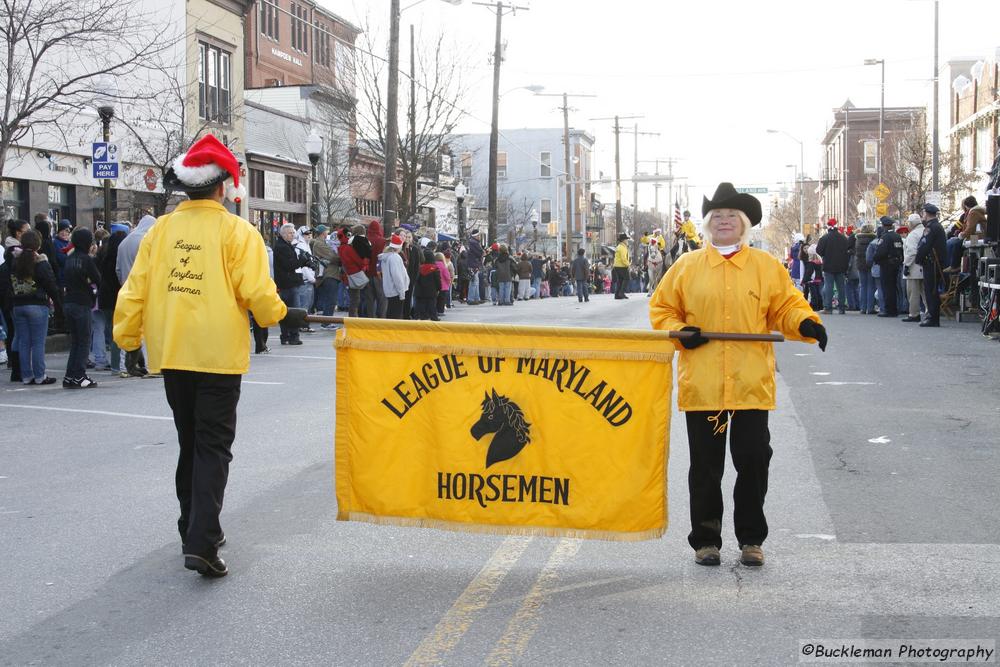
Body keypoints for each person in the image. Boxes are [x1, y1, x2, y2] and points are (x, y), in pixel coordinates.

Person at [113, 134, 293, 578]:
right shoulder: (237, 231)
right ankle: (204, 539)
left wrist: (128, 336)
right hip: (217, 355)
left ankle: (191, 526)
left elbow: (133, 289)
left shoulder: (162, 231)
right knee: (213, 446)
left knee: (189, 441)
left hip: (173, 351)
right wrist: (278, 313)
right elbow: (258, 295)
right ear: (222, 187)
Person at [650, 183, 826, 568]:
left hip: (749, 384)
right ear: (709, 225)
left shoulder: (765, 267)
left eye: (731, 217)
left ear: (744, 224)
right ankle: (706, 541)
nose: (724, 221)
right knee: (706, 467)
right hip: (705, 385)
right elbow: (662, 309)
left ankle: (751, 539)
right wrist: (680, 332)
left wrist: (806, 324)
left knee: (753, 461)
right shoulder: (686, 267)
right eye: (717, 217)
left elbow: (786, 307)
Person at [5, 230, 61, 385]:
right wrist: (57, 303)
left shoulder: (14, 261)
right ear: (38, 244)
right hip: (37, 304)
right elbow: (50, 284)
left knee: (24, 341)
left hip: (18, 305)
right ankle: (39, 375)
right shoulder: (40, 261)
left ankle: (26, 376)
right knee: (37, 342)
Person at [116, 214, 156, 377]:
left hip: (126, 288)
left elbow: (117, 269)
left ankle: (123, 366)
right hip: (145, 290)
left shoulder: (124, 242)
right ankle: (147, 364)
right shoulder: (147, 241)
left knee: (127, 328)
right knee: (145, 329)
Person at [62, 227, 101, 388]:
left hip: (69, 301)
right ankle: (79, 375)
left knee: (76, 341)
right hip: (82, 302)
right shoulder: (86, 259)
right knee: (84, 340)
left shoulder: (69, 259)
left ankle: (70, 376)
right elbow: (98, 279)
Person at [96, 229, 127, 372]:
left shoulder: (104, 257)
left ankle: (114, 363)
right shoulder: (118, 259)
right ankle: (118, 364)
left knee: (111, 331)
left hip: (104, 299)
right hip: (116, 298)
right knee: (119, 333)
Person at [273, 223, 308, 344]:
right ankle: (293, 336)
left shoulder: (286, 245)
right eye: (290, 233)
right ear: (283, 234)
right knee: (294, 311)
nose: (292, 235)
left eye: (293, 232)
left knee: (286, 311)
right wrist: (302, 261)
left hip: (287, 282)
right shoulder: (282, 247)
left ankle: (286, 335)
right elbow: (289, 265)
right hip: (288, 284)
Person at [915, 203, 947, 328]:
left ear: (927, 213)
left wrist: (918, 258)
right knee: (931, 290)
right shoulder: (936, 226)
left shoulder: (931, 227)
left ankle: (932, 317)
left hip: (932, 263)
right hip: (934, 262)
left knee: (931, 290)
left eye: (923, 213)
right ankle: (932, 316)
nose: (922, 215)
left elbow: (924, 245)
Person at [816, 218, 849, 315]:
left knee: (829, 286)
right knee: (841, 287)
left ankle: (828, 308)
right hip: (841, 266)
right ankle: (842, 308)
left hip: (828, 265)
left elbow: (819, 250)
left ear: (828, 227)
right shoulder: (843, 238)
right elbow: (847, 251)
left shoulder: (824, 238)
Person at [872, 216, 903, 317]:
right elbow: (900, 250)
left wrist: (875, 259)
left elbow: (881, 252)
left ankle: (888, 310)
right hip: (896, 264)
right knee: (894, 287)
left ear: (884, 226)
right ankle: (894, 309)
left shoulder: (885, 237)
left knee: (887, 288)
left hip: (886, 265)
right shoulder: (897, 236)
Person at [310, 225, 340, 327]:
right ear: (323, 233)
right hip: (329, 274)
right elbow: (333, 256)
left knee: (330, 299)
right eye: (327, 231)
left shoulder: (324, 242)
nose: (328, 233)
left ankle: (327, 321)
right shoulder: (319, 244)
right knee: (331, 299)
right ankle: (326, 322)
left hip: (330, 273)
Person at [900, 213, 925, 323]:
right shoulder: (925, 231)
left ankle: (914, 313)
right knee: (925, 292)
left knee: (912, 292)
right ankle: (929, 312)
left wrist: (906, 265)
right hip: (924, 267)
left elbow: (911, 252)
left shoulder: (913, 235)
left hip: (913, 268)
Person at [379, 234, 409, 319]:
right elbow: (397, 277)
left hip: (390, 290)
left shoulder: (387, 256)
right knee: (396, 315)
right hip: (396, 291)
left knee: (391, 312)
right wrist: (401, 292)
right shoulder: (395, 257)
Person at [854, 224, 877, 314]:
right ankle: (870, 308)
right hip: (870, 264)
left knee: (862, 286)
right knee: (871, 286)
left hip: (860, 265)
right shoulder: (874, 240)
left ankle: (863, 308)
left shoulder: (858, 240)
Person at [413, 247, 441, 320]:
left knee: (421, 305)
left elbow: (417, 279)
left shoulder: (420, 268)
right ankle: (434, 317)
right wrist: (439, 288)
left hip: (420, 291)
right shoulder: (435, 268)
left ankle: (421, 317)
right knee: (432, 306)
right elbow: (438, 280)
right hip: (431, 291)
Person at [466, 229, 484, 304]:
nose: (480, 236)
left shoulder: (473, 242)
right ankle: (471, 299)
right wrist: (483, 253)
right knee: (474, 282)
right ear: (476, 236)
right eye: (479, 235)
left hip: (474, 263)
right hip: (473, 264)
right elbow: (479, 253)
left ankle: (477, 298)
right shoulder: (474, 243)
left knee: (476, 281)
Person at [612, 232, 631, 300]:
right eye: (626, 239)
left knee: (620, 280)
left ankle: (617, 295)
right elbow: (623, 258)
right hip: (622, 266)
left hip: (617, 266)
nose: (627, 241)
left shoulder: (619, 246)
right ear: (623, 240)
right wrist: (628, 264)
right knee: (626, 279)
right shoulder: (622, 247)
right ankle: (621, 293)